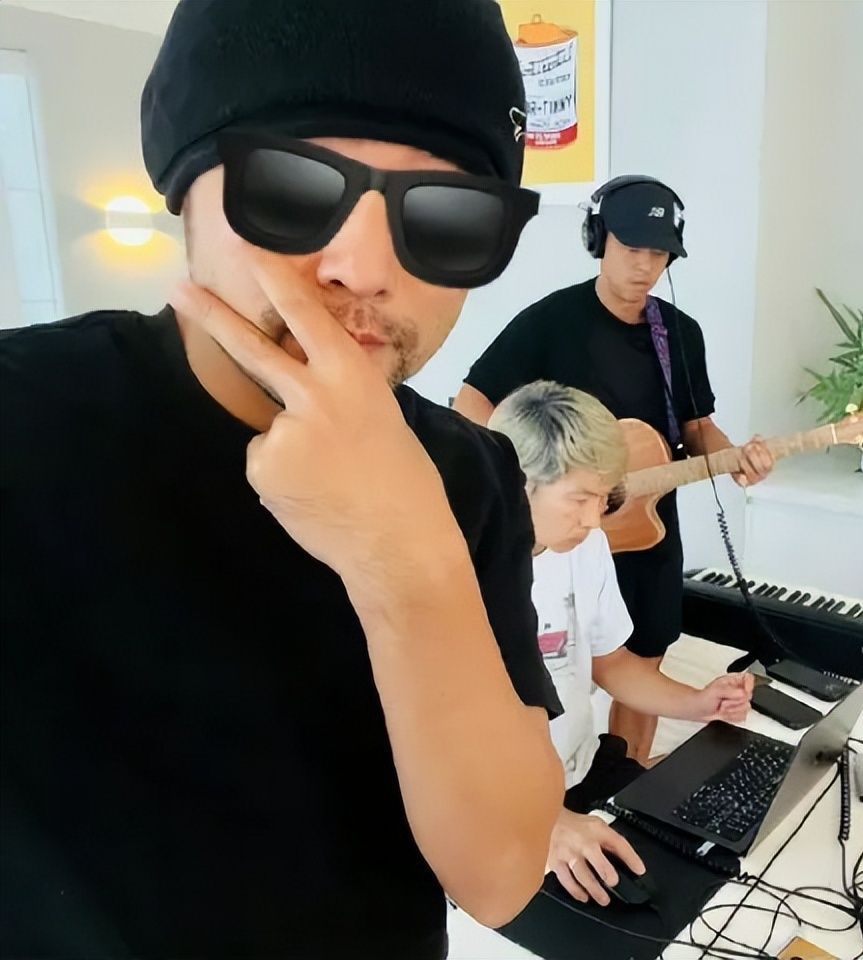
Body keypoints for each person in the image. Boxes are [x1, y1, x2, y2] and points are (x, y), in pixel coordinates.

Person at [0, 2, 565, 957]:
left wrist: (405, 558)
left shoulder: (471, 473)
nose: (364, 269)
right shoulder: (23, 420)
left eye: (446, 215)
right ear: (183, 186)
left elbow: (501, 874)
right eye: (295, 189)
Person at [454, 176, 774, 763]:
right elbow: (471, 403)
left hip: (646, 524)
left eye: (659, 253)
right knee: (546, 655)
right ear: (598, 239)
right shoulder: (551, 321)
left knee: (643, 651)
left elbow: (696, 427)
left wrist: (735, 459)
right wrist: (514, 485)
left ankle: (625, 775)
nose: (645, 266)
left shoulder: (679, 334)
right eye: (632, 248)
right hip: (562, 526)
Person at [487, 381, 754, 907]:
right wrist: (546, 820)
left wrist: (698, 702)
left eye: (602, 498)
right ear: (517, 483)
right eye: (578, 500)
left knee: (712, 866)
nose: (594, 520)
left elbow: (610, 663)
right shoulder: (463, 569)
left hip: (581, 771)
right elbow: (447, 740)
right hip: (499, 806)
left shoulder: (584, 545)